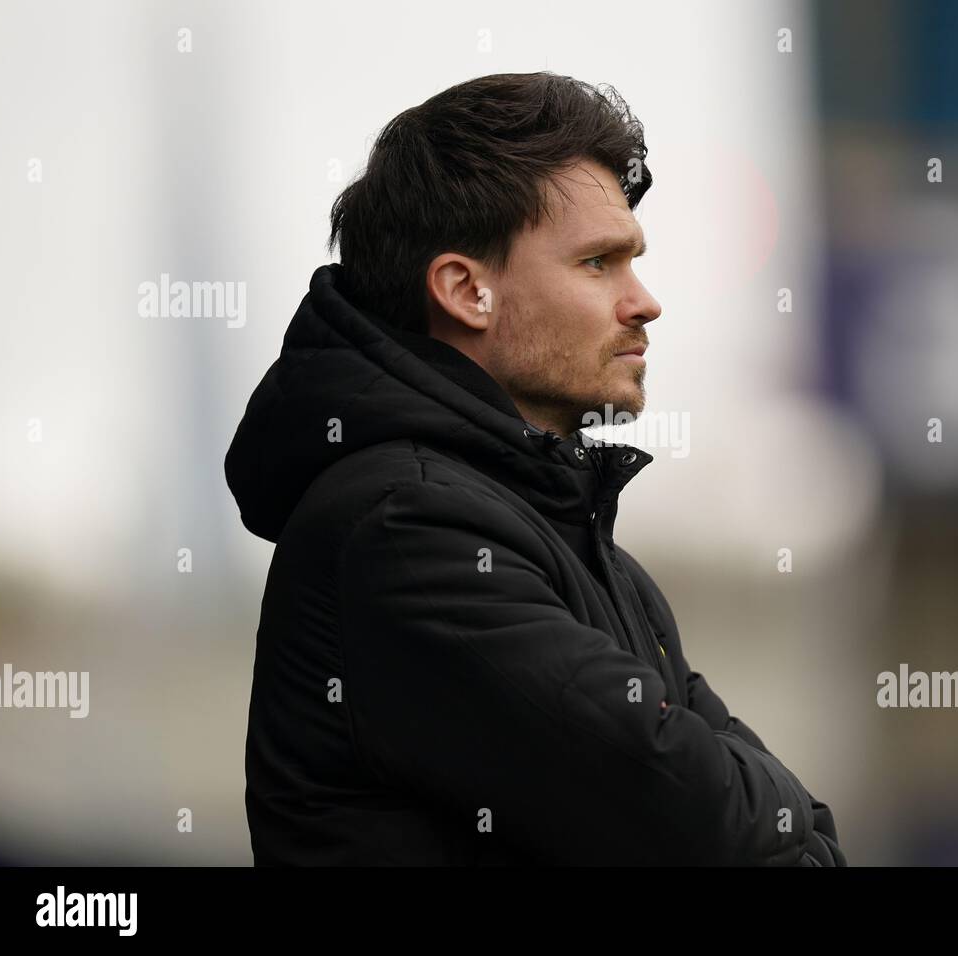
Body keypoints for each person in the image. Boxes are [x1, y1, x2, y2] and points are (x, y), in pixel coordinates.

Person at [224, 71, 845, 866]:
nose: (644, 301)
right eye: (598, 263)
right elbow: (699, 826)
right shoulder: (401, 530)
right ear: (465, 290)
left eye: (634, 261)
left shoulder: (590, 553)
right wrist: (774, 822)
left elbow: (794, 828)